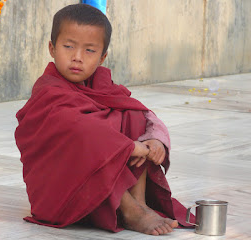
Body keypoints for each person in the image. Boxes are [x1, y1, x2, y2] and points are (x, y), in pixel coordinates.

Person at [15, 3, 194, 236]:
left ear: (102, 57)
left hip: (95, 196)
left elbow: (144, 113)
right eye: (68, 46)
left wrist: (155, 140)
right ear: (52, 48)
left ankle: (138, 202)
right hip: (63, 193)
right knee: (83, 134)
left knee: (131, 113)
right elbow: (74, 127)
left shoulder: (104, 87)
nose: (77, 57)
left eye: (89, 50)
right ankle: (129, 210)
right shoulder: (49, 91)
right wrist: (128, 147)